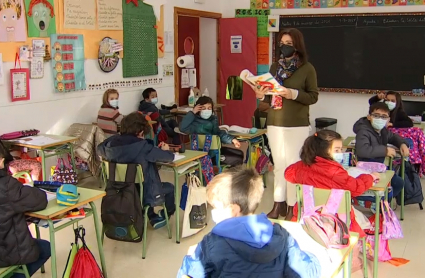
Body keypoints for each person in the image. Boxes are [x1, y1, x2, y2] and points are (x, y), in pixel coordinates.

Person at [177, 167, 321, 278]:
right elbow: (308, 272)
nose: (212, 212)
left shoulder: (211, 243)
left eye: (215, 207)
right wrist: (311, 255)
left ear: (233, 210)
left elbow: (188, 274)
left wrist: (190, 258)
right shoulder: (280, 234)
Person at [251, 28, 319, 220]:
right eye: (282, 43)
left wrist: (292, 94)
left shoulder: (307, 69)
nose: (284, 47)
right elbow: (269, 93)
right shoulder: (274, 67)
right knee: (279, 165)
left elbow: (313, 96)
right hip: (275, 122)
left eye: (289, 44)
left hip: (296, 124)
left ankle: (292, 207)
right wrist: (260, 94)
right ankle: (277, 204)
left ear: (297, 46)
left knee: (293, 166)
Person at [284, 130, 379, 236]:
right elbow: (357, 188)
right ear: (323, 150)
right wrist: (370, 177)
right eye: (337, 150)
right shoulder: (336, 172)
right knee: (357, 216)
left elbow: (288, 174)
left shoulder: (301, 166)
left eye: (340, 150)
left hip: (306, 217)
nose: (340, 153)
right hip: (335, 222)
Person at [97, 112, 176, 229]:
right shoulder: (143, 146)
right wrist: (166, 150)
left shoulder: (110, 144)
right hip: (143, 193)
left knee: (142, 182)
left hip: (118, 191)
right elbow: (169, 158)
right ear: (141, 131)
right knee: (168, 187)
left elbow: (99, 149)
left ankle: (150, 215)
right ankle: (164, 214)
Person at [0, 142, 51, 277]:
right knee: (45, 248)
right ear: (1, 161)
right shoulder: (7, 185)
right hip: (6, 252)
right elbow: (40, 200)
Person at [353, 102, 409, 199]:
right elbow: (362, 150)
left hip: (379, 167)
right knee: (390, 188)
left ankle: (380, 202)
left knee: (399, 183)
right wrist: (385, 151)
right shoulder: (363, 131)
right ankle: (375, 202)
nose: (380, 119)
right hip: (366, 169)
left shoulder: (383, 130)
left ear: (388, 119)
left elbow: (393, 137)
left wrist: (402, 144)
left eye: (384, 116)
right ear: (369, 117)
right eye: (376, 115)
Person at [179, 96, 245, 165]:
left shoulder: (212, 119)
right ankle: (221, 173)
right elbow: (182, 128)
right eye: (204, 108)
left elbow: (219, 133)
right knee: (238, 159)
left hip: (215, 150)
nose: (207, 110)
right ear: (198, 109)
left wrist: (232, 139)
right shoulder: (195, 123)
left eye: (209, 108)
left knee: (240, 153)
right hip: (207, 156)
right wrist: (192, 112)